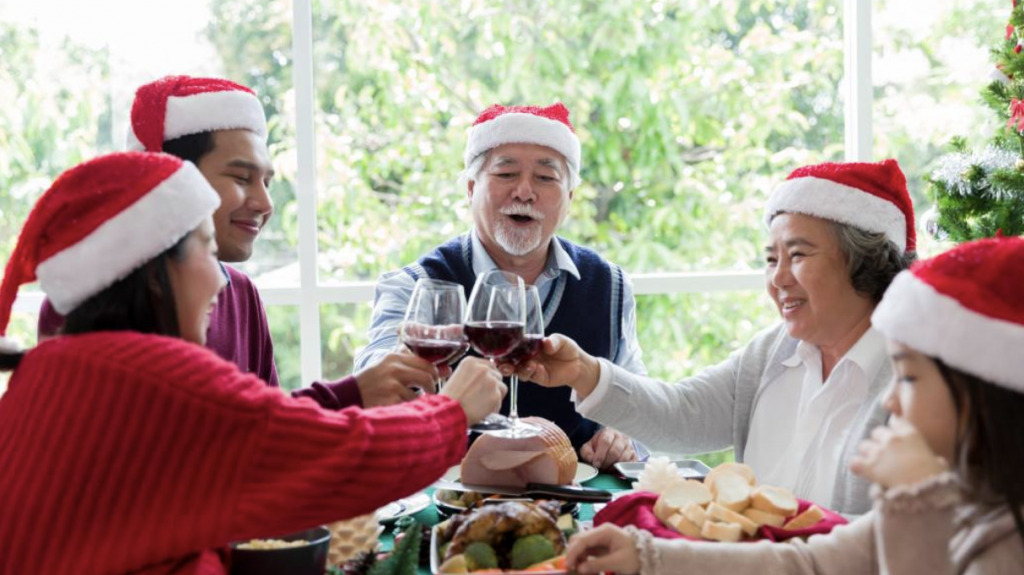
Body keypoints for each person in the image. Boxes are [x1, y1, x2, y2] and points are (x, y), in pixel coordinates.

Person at [0, 152, 506, 575]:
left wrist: (349, 394)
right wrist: (451, 411)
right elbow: (343, 458)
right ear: (154, 271)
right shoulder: (157, 374)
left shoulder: (50, 367)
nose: (219, 282)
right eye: (205, 249)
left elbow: (244, 432)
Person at [564, 235, 1024, 575]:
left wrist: (907, 500)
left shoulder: (1002, 539)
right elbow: (812, 562)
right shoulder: (952, 491)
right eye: (771, 259)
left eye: (909, 379)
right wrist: (648, 556)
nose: (891, 399)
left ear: (983, 396)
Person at [513, 160, 917, 514]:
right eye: (771, 259)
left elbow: (902, 538)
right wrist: (583, 371)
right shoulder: (773, 352)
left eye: (797, 255)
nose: (777, 279)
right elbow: (681, 414)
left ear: (862, 261)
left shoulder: (917, 382)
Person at [37, 75, 436, 409]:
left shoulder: (242, 294)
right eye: (242, 178)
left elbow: (269, 438)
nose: (265, 204)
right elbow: (213, 441)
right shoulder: (90, 304)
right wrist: (354, 394)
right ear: (170, 178)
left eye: (267, 183)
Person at [355, 102, 646, 467]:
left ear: (569, 198)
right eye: (506, 173)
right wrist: (406, 373)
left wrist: (623, 436)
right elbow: (371, 394)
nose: (525, 192)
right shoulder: (414, 287)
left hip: (575, 495)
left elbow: (641, 405)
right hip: (447, 494)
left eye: (546, 178)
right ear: (471, 188)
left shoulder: (609, 286)